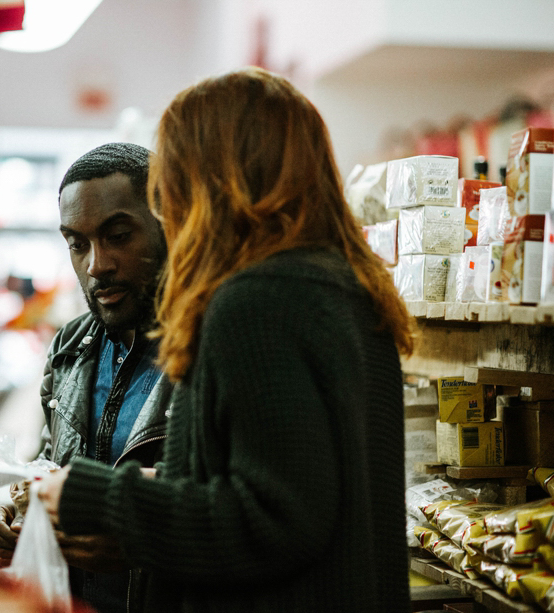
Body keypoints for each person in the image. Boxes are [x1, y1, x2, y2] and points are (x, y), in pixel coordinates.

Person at [37, 68, 415, 612]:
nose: (168, 204)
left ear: (212, 179)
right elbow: (302, 481)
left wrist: (98, 497)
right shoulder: (347, 288)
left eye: (173, 178)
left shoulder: (255, 303)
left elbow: (274, 517)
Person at [0, 143, 172, 613]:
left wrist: (146, 541)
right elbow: (52, 461)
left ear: (167, 226)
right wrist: (15, 514)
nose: (96, 265)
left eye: (120, 235)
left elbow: (234, 499)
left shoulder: (208, 348)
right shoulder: (70, 346)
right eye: (77, 243)